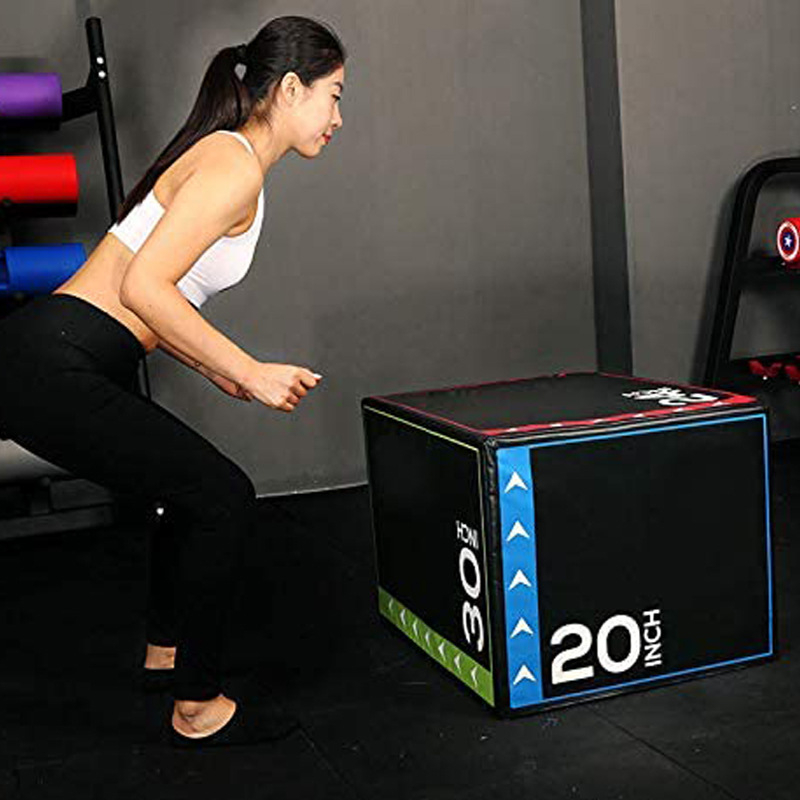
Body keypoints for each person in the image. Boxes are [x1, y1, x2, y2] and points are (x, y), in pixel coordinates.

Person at [0, 15, 346, 747]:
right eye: (334, 95)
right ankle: (197, 705)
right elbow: (144, 288)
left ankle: (167, 654)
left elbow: (163, 297)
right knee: (223, 496)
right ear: (291, 89)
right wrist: (247, 369)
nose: (338, 117)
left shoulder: (230, 160)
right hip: (56, 359)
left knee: (180, 495)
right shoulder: (232, 166)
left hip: (69, 352)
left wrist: (215, 371)